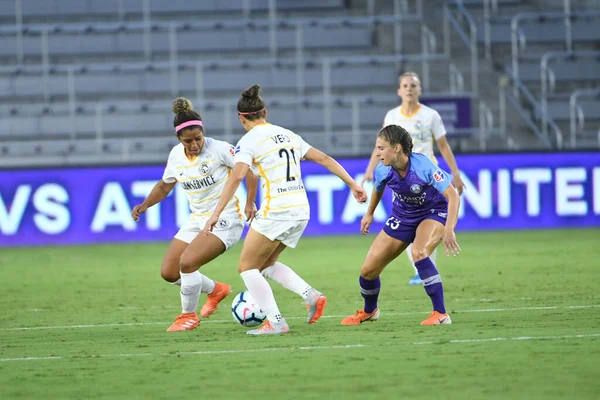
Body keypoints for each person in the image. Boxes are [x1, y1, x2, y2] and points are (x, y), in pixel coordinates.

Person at [203, 84, 368, 335]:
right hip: (301, 209)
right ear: (265, 112)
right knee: (266, 263)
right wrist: (353, 184)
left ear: (241, 117)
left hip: (276, 210)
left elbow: (236, 177)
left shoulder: (247, 141)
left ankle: (277, 322)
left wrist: (215, 214)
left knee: (247, 268)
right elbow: (324, 158)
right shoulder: (288, 135)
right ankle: (310, 295)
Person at [131, 97, 258, 332]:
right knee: (169, 272)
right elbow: (164, 185)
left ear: (203, 133)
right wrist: (145, 205)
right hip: (197, 219)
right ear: (179, 139)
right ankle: (216, 290)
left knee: (187, 263)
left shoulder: (220, 149)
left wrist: (250, 202)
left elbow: (249, 172)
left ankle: (187, 316)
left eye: (197, 138)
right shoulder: (176, 156)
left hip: (226, 219)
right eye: (188, 141)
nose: (194, 145)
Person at [342, 124, 460, 326]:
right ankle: (370, 311)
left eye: (381, 148)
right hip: (403, 215)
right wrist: (369, 213)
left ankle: (440, 314)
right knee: (368, 271)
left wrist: (449, 228)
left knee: (419, 252)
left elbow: (452, 195)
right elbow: (378, 189)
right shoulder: (383, 169)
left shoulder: (423, 166)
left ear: (396, 148)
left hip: (432, 211)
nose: (377, 153)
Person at [361, 72, 465, 286]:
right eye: (405, 85)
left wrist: (455, 174)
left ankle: (424, 265)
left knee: (426, 225)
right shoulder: (392, 117)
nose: (409, 89)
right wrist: (371, 169)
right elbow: (380, 146)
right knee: (407, 220)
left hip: (426, 175)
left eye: (413, 85)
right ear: (399, 91)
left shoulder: (431, 116)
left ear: (420, 90)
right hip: (400, 177)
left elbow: (443, 146)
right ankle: (422, 267)